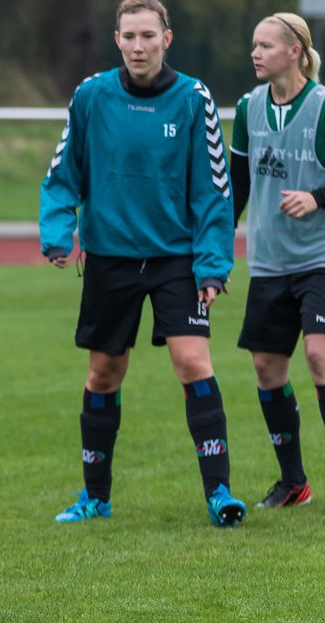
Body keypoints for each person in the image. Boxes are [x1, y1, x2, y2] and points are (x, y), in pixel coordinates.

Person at [39, 0, 246, 527]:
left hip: (176, 258)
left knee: (194, 363)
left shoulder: (193, 97)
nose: (138, 46)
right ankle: (95, 498)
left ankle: (220, 493)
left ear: (167, 39)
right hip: (109, 257)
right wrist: (59, 232)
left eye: (148, 36)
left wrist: (213, 265)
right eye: (129, 35)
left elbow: (214, 190)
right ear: (116, 39)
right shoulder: (91, 96)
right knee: (104, 373)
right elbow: (64, 173)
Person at [230, 12, 325, 509]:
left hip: (319, 259)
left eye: (265, 45)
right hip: (268, 262)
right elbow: (239, 186)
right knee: (268, 370)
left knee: (319, 357)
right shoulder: (248, 108)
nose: (255, 53)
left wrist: (317, 197)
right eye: (253, 45)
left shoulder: (323, 106)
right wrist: (216, 241)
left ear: (295, 52)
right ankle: (295, 483)